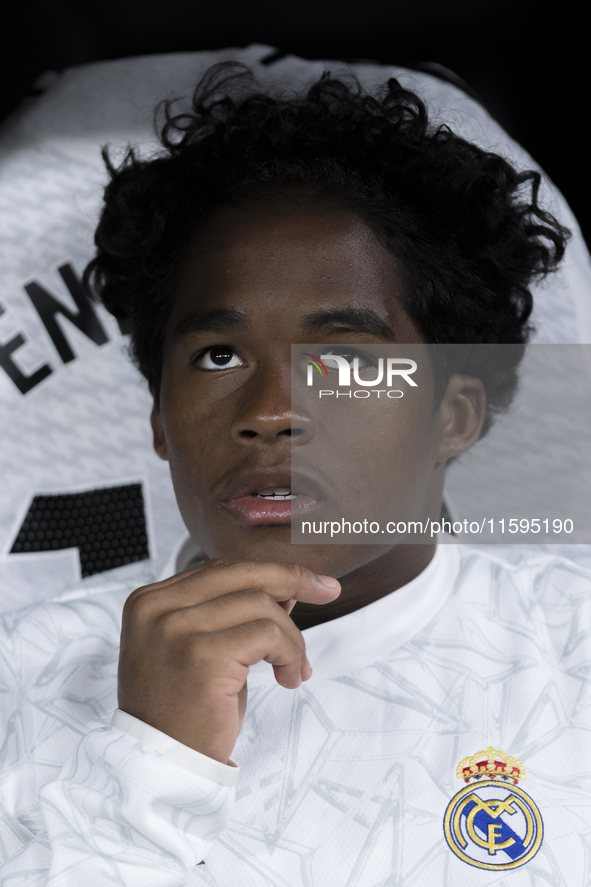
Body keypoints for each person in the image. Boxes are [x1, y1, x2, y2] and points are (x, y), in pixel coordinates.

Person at [0, 63, 588, 885]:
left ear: (451, 416)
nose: (273, 407)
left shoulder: (572, 648)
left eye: (342, 354)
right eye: (217, 354)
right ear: (159, 421)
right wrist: (150, 767)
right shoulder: (21, 676)